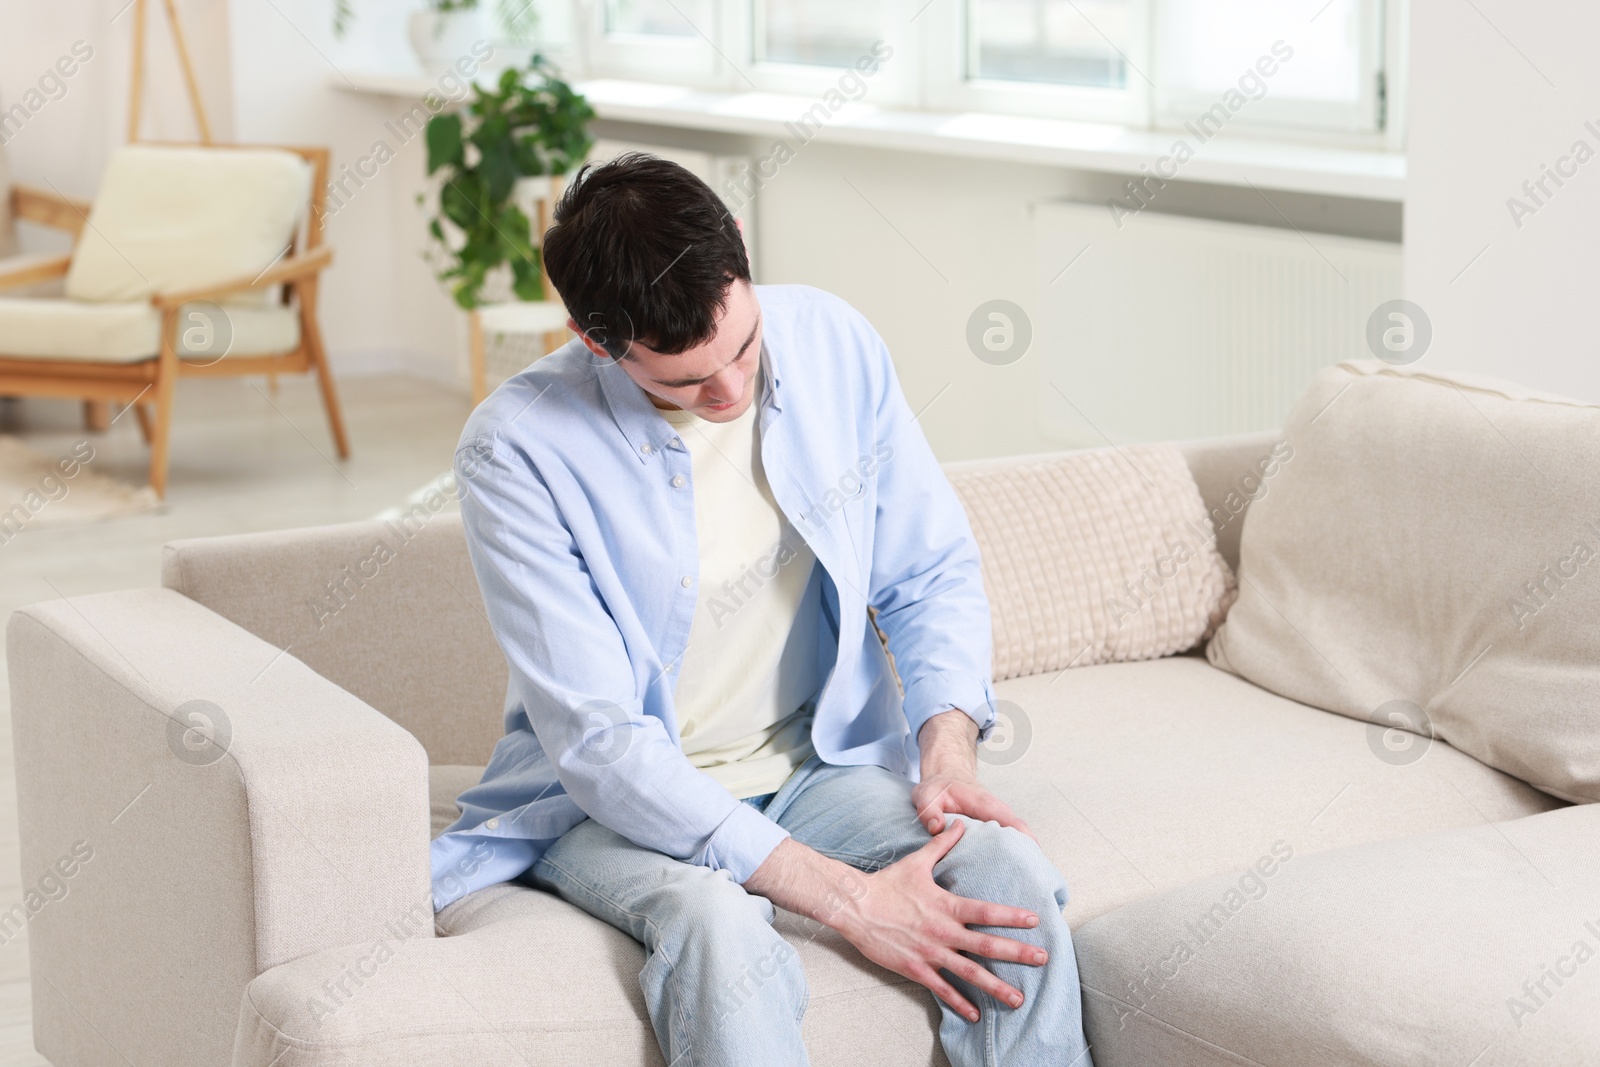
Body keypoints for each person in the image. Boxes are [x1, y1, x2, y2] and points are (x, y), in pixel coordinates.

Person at [430, 152, 1094, 1067]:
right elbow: (601, 744)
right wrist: (847, 898)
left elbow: (927, 568)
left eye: (742, 348)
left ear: (740, 249)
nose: (731, 392)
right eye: (683, 381)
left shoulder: (834, 341)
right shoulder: (516, 451)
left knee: (1004, 870)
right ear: (598, 342)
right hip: (610, 811)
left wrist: (945, 749)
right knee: (719, 925)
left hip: (812, 768)